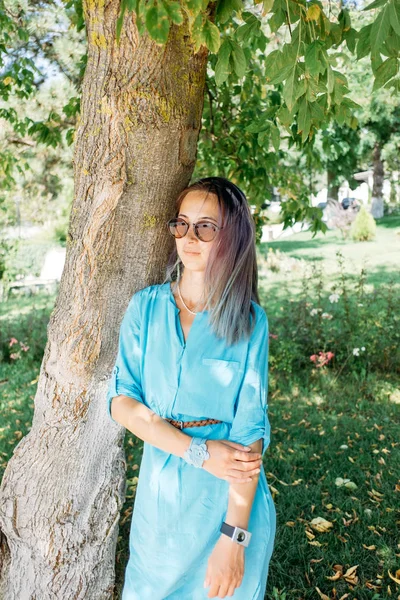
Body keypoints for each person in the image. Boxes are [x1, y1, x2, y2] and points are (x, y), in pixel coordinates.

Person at [107, 176, 276, 599]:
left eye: (205, 227)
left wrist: (233, 538)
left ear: (232, 237)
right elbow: (122, 402)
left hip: (226, 504)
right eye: (181, 224)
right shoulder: (145, 308)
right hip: (160, 499)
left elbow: (250, 433)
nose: (189, 237)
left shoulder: (249, 322)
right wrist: (197, 452)